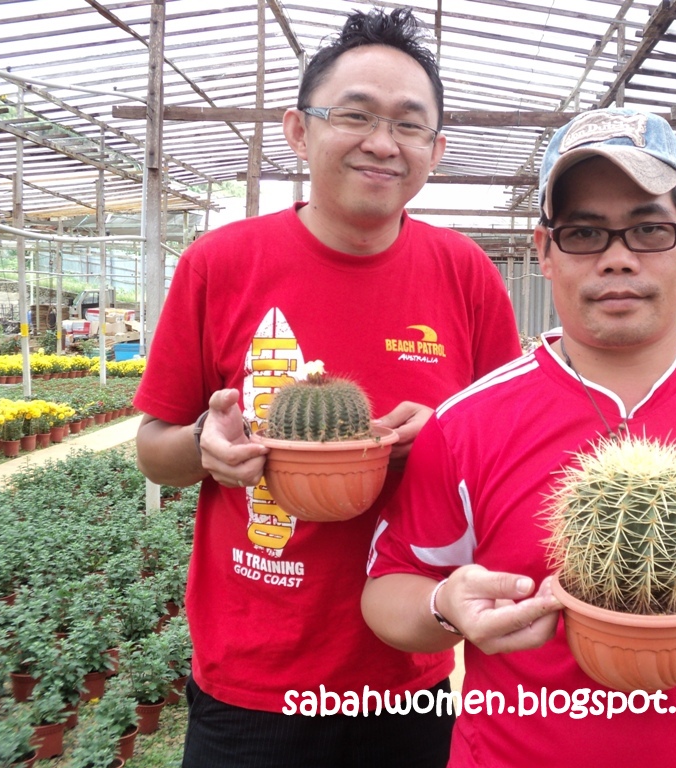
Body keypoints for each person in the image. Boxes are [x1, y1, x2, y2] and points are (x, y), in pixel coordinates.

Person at [362, 107, 676, 768]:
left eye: (648, 228)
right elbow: (389, 591)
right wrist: (443, 606)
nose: (618, 259)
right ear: (544, 251)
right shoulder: (467, 422)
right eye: (585, 232)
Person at [133, 8, 522, 768]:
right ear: (298, 130)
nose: (383, 143)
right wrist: (206, 450)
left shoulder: (466, 275)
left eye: (410, 126)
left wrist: (440, 440)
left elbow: (505, 456)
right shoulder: (220, 264)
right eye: (355, 115)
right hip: (255, 677)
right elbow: (154, 452)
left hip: (409, 668)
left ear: (436, 151)